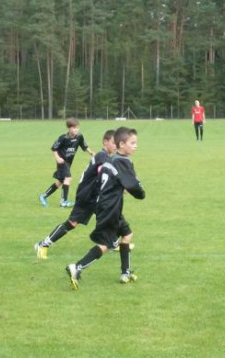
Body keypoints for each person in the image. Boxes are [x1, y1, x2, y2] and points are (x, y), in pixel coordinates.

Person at [66, 126, 145, 289]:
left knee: (127, 235)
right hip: (110, 208)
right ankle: (77, 267)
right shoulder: (123, 161)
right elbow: (137, 190)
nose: (136, 145)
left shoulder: (114, 159)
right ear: (121, 144)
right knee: (106, 244)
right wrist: (138, 188)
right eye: (132, 143)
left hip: (108, 205)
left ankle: (126, 273)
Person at [35, 130, 117, 259]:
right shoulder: (102, 156)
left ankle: (113, 242)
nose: (116, 145)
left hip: (94, 195)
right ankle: (42, 244)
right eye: (113, 142)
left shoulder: (105, 156)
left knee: (109, 214)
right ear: (105, 142)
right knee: (72, 223)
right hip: (87, 196)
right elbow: (102, 172)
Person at [39, 118, 95, 207]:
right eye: (74, 128)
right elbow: (54, 149)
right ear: (69, 128)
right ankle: (63, 201)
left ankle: (43, 196)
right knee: (68, 178)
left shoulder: (79, 136)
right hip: (62, 162)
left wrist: (91, 153)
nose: (76, 130)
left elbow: (84, 146)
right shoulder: (63, 138)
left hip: (69, 163)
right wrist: (57, 158)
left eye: (77, 128)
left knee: (60, 182)